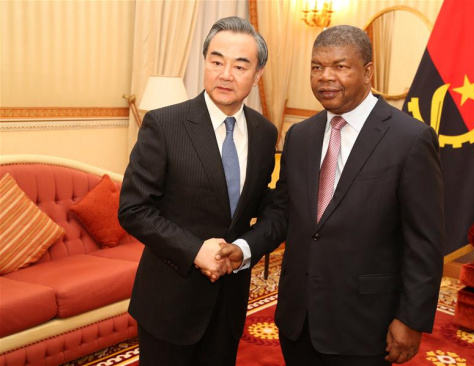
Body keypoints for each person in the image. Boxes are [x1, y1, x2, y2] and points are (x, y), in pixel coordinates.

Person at [218, 25, 445, 365]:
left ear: (368, 72)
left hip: (365, 324)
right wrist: (244, 248)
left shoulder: (410, 139)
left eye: (340, 66)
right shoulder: (300, 136)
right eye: (316, 66)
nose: (325, 77)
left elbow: (425, 241)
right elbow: (283, 212)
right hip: (299, 319)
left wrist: (411, 319)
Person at [118, 16, 277, 366]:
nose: (225, 74)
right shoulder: (165, 124)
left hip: (229, 301)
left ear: (258, 74)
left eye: (240, 65)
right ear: (204, 63)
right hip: (169, 301)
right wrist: (194, 251)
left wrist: (245, 248)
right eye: (216, 61)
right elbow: (133, 209)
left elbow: (259, 203)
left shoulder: (265, 133)